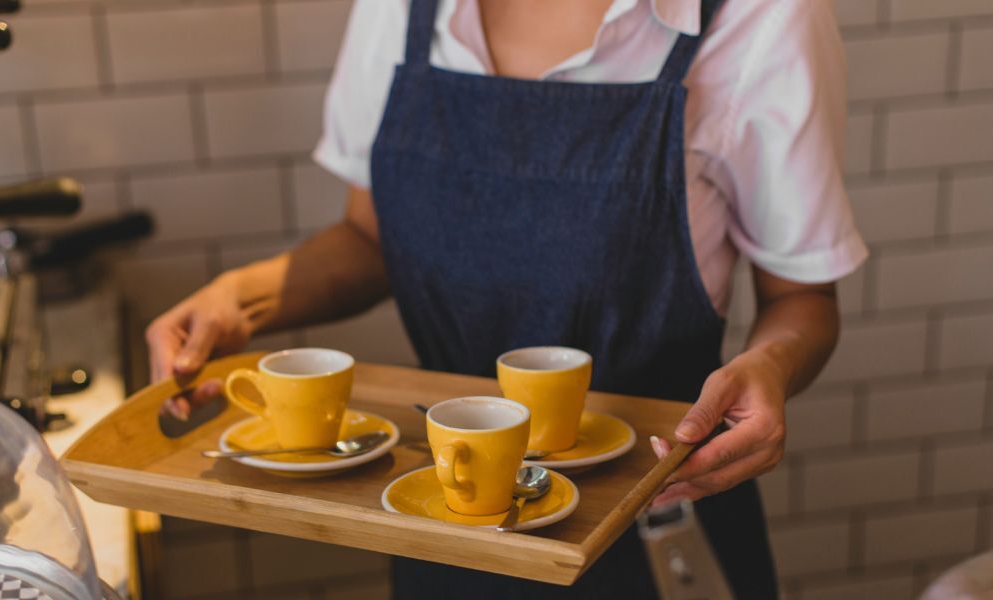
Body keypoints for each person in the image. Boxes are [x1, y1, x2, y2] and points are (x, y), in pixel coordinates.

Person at [146, 0, 866, 597]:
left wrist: (771, 366)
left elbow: (804, 297)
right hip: (448, 516)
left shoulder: (760, 16)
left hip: (653, 529)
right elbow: (370, 237)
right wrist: (239, 302)